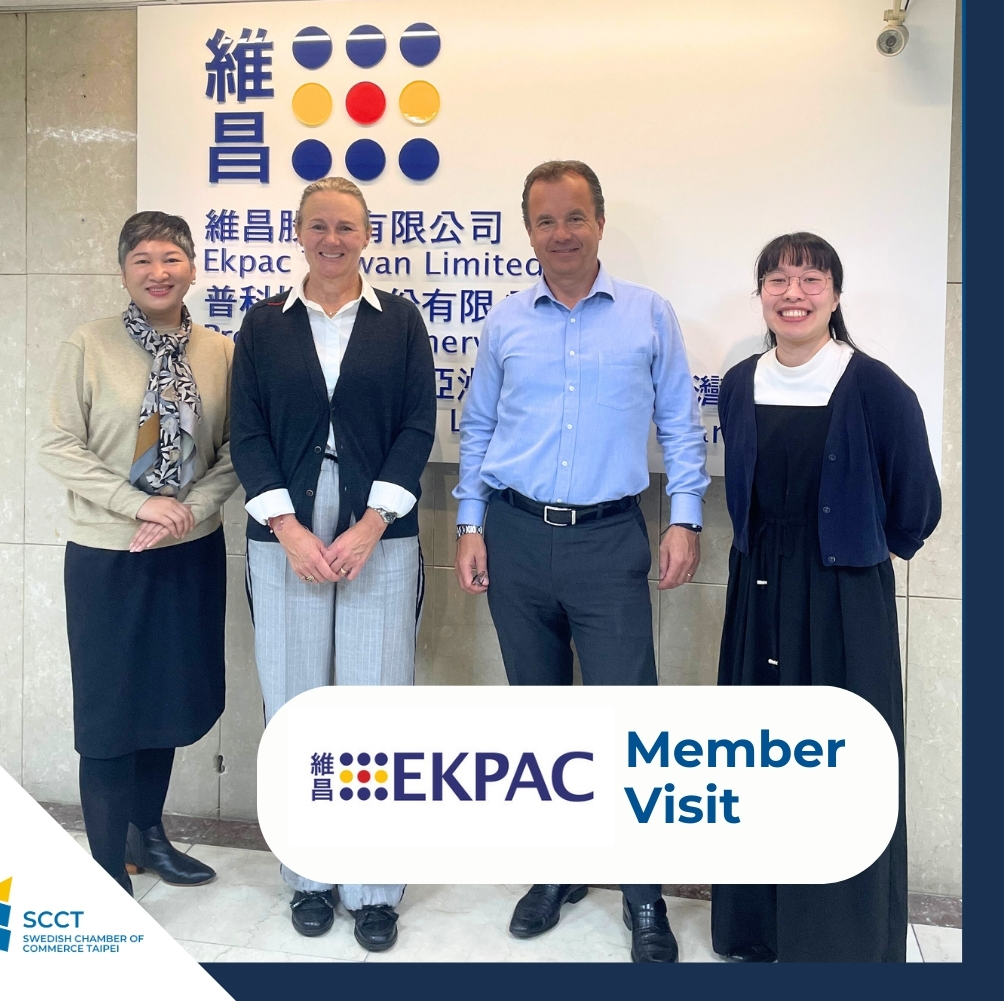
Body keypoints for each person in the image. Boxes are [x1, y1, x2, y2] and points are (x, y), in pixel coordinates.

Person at [453, 160, 709, 963]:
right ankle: (556, 870)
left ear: (599, 221)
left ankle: (643, 896)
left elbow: (680, 423)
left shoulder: (647, 315)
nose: (560, 233)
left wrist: (686, 518)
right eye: (545, 220)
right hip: (516, 534)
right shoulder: (506, 322)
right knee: (541, 722)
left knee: (628, 724)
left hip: (609, 539)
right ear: (528, 230)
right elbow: (479, 426)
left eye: (574, 217)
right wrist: (469, 522)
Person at [710, 232, 941, 963]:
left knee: (841, 764)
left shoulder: (874, 386)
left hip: (843, 595)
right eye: (778, 279)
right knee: (757, 757)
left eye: (812, 279)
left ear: (836, 296)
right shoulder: (741, 382)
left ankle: (839, 942)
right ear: (760, 296)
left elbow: (917, 503)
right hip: (758, 591)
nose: (794, 293)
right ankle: (759, 929)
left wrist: (856, 548)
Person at [230, 176, 436, 954]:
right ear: (299, 233)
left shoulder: (399, 321)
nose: (332, 239)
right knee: (297, 709)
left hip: (378, 526)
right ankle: (309, 877)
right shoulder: (264, 324)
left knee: (373, 712)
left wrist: (373, 523)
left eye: (346, 226)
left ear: (367, 235)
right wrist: (286, 528)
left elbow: (418, 425)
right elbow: (247, 430)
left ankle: (374, 889)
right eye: (318, 225)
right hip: (284, 528)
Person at [38, 211, 238, 893]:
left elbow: (236, 451)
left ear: (192, 268)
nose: (159, 272)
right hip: (109, 554)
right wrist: (138, 503)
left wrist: (188, 510)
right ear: (123, 271)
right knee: (109, 711)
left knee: (167, 701)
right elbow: (58, 444)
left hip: (188, 553)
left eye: (171, 258)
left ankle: (146, 837)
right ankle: (104, 869)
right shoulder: (88, 344)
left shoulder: (219, 352)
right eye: (143, 260)